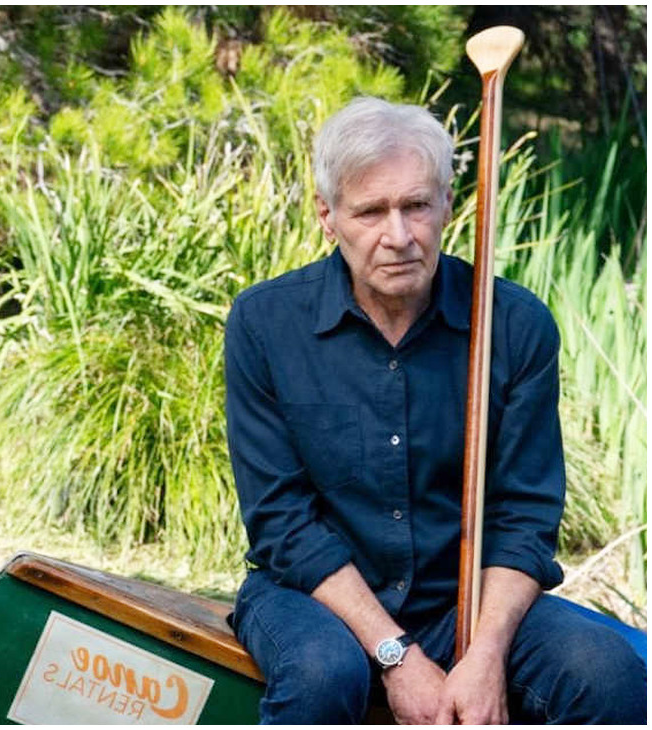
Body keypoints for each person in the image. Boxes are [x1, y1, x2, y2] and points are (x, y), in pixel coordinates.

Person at [223, 96, 646, 724]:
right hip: (313, 598)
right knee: (322, 674)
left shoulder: (512, 325)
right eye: (371, 211)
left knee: (607, 672)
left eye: (416, 206)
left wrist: (486, 653)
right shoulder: (266, 323)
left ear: (447, 204)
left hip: (465, 602)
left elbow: (524, 517)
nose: (399, 237)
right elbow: (282, 524)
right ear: (327, 215)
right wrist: (396, 655)